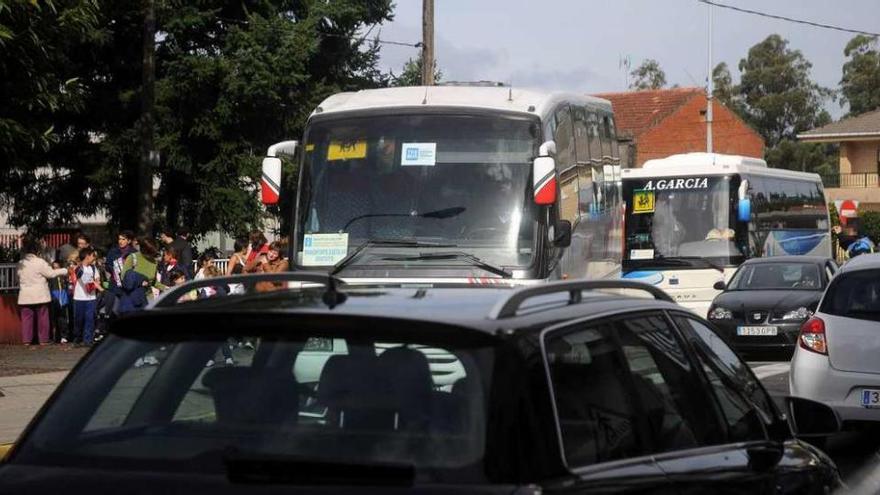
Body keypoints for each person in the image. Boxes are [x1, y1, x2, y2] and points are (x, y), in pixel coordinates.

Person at [17, 238, 68, 345]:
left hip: (25, 295)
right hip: (40, 295)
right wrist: (64, 270)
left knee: (27, 318)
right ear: (37, 251)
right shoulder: (40, 262)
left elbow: (18, 279)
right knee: (42, 318)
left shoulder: (21, 263)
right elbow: (51, 274)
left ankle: (27, 340)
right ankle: (43, 340)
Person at [117, 237, 160, 314]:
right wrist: (140, 282)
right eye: (152, 251)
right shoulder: (133, 258)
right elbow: (124, 278)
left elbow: (154, 282)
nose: (154, 254)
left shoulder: (154, 261)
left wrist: (167, 288)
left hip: (149, 299)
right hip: (134, 300)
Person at [71, 247, 103, 346]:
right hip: (79, 298)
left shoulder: (93, 268)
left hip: (91, 298)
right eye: (93, 255)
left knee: (90, 319)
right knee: (79, 319)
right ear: (87, 256)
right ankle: (77, 338)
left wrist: (97, 282)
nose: (94, 258)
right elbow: (87, 283)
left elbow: (97, 278)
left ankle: (88, 340)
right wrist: (99, 288)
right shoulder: (78, 269)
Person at [105, 230, 137, 314]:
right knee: (115, 310)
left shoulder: (134, 252)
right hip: (115, 285)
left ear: (129, 241)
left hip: (129, 286)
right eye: (119, 239)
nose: (120, 241)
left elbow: (137, 267)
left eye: (123, 239)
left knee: (127, 310)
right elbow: (107, 265)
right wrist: (114, 269)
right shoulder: (113, 251)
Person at [48, 261, 71, 344]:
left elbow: (67, 286)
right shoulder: (50, 277)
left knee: (62, 318)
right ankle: (54, 337)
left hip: (63, 297)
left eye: (57, 267)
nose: (56, 269)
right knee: (53, 318)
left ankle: (64, 336)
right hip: (53, 297)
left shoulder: (63, 277)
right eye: (54, 268)